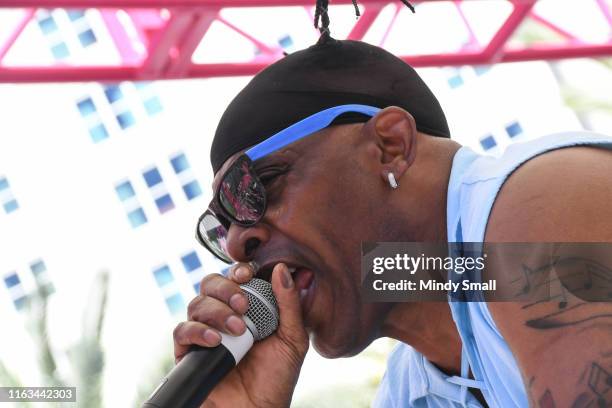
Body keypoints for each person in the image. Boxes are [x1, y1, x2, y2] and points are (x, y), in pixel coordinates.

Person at [171, 14, 612, 408]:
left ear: (390, 147)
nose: (236, 242)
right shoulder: (412, 390)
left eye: (259, 186)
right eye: (222, 227)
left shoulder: (534, 203)